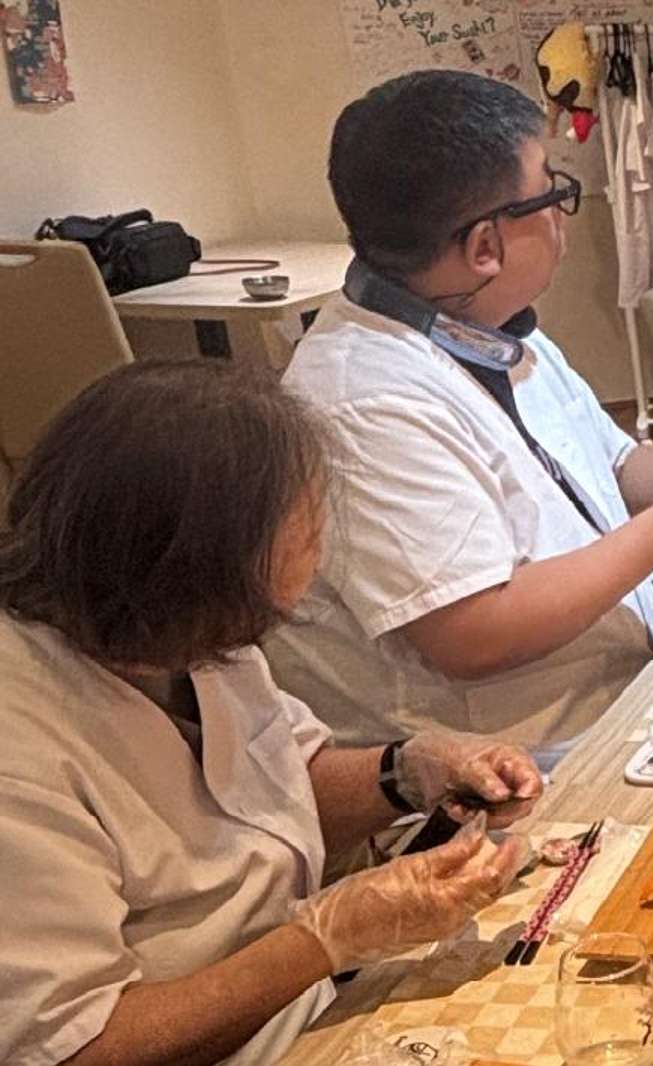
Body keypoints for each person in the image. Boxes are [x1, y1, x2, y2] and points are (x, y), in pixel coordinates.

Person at [0, 360, 541, 1066]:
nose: (318, 557)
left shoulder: (181, 636)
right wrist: (324, 939)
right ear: (188, 572)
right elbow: (80, 1046)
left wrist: (405, 772)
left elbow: (273, 779)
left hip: (320, 1016)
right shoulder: (25, 753)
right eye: (306, 532)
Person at [265, 70, 653, 765]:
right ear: (485, 248)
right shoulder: (362, 399)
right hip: (503, 773)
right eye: (552, 195)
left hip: (614, 705)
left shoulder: (486, 325)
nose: (561, 217)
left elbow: (613, 468)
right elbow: (475, 632)